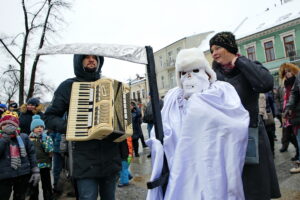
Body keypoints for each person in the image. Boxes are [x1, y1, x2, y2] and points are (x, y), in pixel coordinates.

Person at [147, 48, 250, 200]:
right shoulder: (173, 99)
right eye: (183, 73)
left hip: (213, 164)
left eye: (195, 70)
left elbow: (236, 123)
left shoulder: (221, 91)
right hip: (181, 168)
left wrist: (199, 105)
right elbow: (161, 130)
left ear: (207, 73)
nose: (189, 76)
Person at [210, 31, 281, 199]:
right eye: (212, 50)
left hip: (251, 133)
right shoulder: (213, 75)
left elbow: (265, 83)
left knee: (255, 185)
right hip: (225, 137)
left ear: (230, 48)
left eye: (218, 47)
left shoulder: (248, 66)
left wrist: (239, 61)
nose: (214, 53)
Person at [44, 54, 121, 200]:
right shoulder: (68, 86)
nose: (91, 60)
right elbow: (49, 117)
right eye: (86, 57)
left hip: (110, 157)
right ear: (79, 61)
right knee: (87, 197)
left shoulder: (109, 85)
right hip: (83, 160)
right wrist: (72, 125)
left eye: (95, 57)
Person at [0, 113, 40, 200]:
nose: (7, 126)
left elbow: (31, 154)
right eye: (4, 124)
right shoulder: (1, 138)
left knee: (20, 197)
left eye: (11, 124)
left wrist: (35, 170)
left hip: (22, 173)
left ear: (16, 126)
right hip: (4, 176)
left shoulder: (24, 137)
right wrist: (4, 138)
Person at [29, 115, 54, 200]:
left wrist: (45, 141)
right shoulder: (29, 139)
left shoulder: (47, 138)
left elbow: (50, 151)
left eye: (41, 127)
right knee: (33, 186)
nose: (40, 129)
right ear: (33, 129)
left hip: (45, 165)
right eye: (37, 127)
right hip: (34, 166)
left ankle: (48, 197)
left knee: (46, 185)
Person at [279, 63, 299, 160]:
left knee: (295, 134)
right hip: (288, 113)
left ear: (294, 71)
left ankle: (298, 154)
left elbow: (294, 97)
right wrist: (284, 112)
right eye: (286, 72)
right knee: (289, 135)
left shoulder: (296, 81)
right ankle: (298, 152)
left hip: (296, 112)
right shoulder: (285, 84)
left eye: (289, 71)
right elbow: (284, 99)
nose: (287, 73)